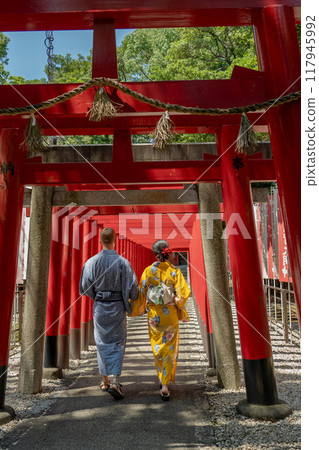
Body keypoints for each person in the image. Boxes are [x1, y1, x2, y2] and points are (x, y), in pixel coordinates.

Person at [79, 227, 138, 400]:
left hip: (100, 307)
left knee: (101, 342)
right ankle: (114, 381)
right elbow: (132, 290)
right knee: (118, 343)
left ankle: (104, 380)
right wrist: (130, 298)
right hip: (117, 306)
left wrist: (97, 297)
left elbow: (84, 288)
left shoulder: (91, 262)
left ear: (100, 242)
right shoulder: (122, 262)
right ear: (115, 241)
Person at [131, 239, 191, 401]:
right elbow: (184, 293)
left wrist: (135, 308)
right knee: (170, 348)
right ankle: (165, 384)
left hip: (154, 316)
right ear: (168, 253)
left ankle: (161, 380)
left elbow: (141, 292)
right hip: (170, 314)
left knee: (158, 346)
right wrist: (176, 301)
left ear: (155, 254)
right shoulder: (174, 272)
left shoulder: (148, 271)